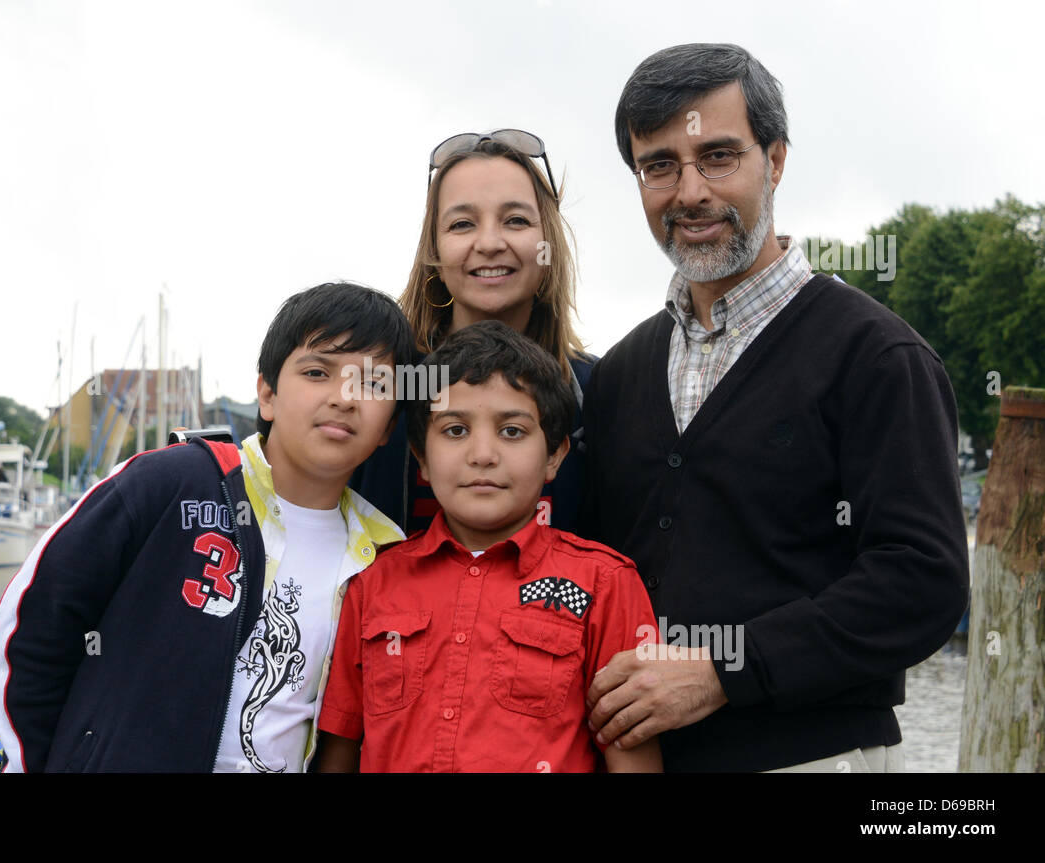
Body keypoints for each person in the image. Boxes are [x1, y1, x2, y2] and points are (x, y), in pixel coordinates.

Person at [580, 43, 969, 772]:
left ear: (777, 160)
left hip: (811, 758)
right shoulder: (620, 374)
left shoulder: (877, 357)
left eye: (718, 156)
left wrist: (726, 671)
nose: (689, 190)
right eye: (658, 164)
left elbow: (922, 581)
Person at [0, 282, 414, 772]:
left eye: (372, 384)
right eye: (318, 372)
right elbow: (32, 618)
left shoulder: (386, 556)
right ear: (268, 393)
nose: (344, 398)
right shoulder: (172, 483)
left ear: (389, 426)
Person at [317, 321, 661, 772]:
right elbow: (339, 749)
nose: (483, 454)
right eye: (455, 430)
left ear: (555, 455)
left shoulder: (606, 583)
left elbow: (632, 757)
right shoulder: (371, 582)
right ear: (421, 457)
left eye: (512, 431)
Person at [350, 130, 595, 535]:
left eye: (515, 220)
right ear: (434, 250)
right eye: (462, 224)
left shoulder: (596, 393)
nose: (490, 242)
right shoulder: (388, 387)